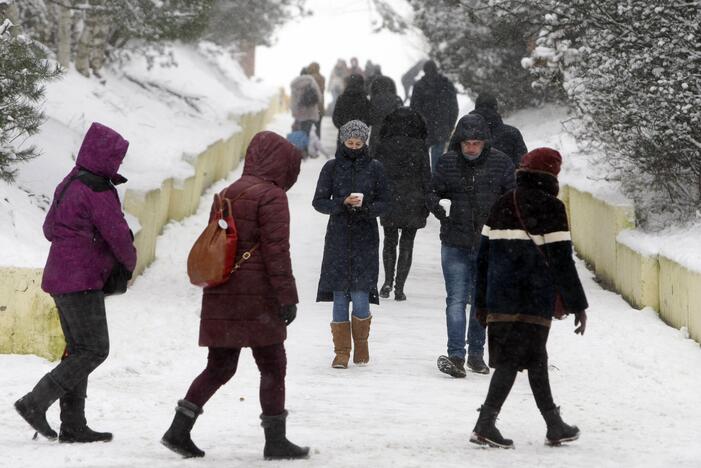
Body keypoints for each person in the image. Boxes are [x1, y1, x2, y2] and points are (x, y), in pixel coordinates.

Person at [161, 132, 309, 461]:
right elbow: (276, 251)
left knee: (219, 367)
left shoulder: (228, 192)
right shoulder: (271, 196)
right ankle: (276, 441)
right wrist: (287, 295)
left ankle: (178, 430)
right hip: (257, 299)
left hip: (222, 291)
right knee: (273, 366)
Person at [14, 122, 137, 443]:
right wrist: (127, 263)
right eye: (117, 159)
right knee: (95, 349)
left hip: (58, 278)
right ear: (108, 157)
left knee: (78, 350)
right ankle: (35, 402)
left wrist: (76, 239)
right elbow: (119, 235)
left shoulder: (69, 182)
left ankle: (73, 424)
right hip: (82, 282)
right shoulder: (98, 189)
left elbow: (49, 229)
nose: (119, 165)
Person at [469, 147, 588, 448]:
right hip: (533, 299)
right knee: (515, 360)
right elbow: (562, 260)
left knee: (535, 359)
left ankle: (554, 424)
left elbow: (482, 258)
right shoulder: (552, 208)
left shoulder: (501, 204)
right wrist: (577, 305)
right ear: (552, 175)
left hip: (500, 299)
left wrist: (481, 302)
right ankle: (484, 424)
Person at [427, 113, 515, 378]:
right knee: (455, 299)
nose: (471, 147)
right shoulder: (447, 163)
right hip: (454, 241)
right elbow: (431, 193)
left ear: (484, 142)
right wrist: (441, 209)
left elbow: (512, 198)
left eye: (476, 142)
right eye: (467, 142)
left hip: (489, 243)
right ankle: (456, 355)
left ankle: (476, 354)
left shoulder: (501, 163)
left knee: (481, 300)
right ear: (460, 142)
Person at [312, 120, 389, 369]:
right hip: (338, 237)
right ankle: (341, 351)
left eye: (359, 143)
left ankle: (362, 343)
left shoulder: (376, 168)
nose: (354, 147)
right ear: (343, 141)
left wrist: (365, 207)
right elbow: (319, 201)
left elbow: (385, 203)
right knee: (339, 297)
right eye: (350, 142)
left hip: (365, 236)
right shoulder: (332, 168)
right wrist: (341, 203)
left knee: (360, 293)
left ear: (365, 142)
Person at [374, 107, 431, 301]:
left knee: (389, 240)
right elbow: (426, 175)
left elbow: (376, 173)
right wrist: (428, 199)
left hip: (389, 197)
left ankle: (387, 280)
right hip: (414, 197)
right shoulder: (420, 146)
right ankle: (400, 287)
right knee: (408, 242)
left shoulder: (384, 144)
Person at [410, 60, 459, 173]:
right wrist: (450, 125)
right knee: (437, 161)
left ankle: (425, 183)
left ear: (424, 70)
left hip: (423, 128)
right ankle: (436, 183)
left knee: (423, 161)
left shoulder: (419, 86)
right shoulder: (446, 84)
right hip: (441, 128)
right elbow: (454, 108)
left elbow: (413, 109)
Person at [470, 92, 528, 166]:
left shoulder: (465, 131)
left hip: (470, 177)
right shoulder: (512, 133)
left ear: (476, 107)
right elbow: (523, 163)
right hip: (505, 176)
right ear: (496, 108)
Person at [367, 75, 403, 155]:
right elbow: (402, 118)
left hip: (376, 134)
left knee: (376, 160)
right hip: (393, 134)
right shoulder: (397, 99)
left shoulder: (374, 99)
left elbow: (369, 118)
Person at [290, 70, 322, 138]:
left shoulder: (295, 84)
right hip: (311, 113)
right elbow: (319, 97)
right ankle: (307, 146)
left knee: (301, 134)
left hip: (300, 113)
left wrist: (294, 113)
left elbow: (293, 101)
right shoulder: (311, 81)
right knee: (309, 133)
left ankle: (303, 146)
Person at [306, 62, 326, 138]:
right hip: (320, 106)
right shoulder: (323, 78)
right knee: (318, 128)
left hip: (311, 107)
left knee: (308, 128)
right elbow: (322, 91)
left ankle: (308, 146)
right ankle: (317, 145)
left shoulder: (309, 78)